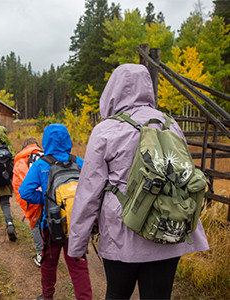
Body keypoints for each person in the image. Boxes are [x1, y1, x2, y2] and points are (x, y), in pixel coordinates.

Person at [69, 64, 209, 299]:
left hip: (122, 233)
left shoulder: (106, 130)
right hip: (167, 228)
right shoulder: (170, 124)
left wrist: (77, 243)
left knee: (117, 294)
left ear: (112, 90)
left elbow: (88, 193)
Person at [19, 123, 91, 300]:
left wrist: (45, 199)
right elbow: (92, 189)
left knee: (49, 263)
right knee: (78, 265)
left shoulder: (41, 165)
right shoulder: (79, 162)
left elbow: (25, 191)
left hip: (51, 224)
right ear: (68, 139)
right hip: (76, 223)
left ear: (46, 141)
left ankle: (47, 296)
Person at [12, 137, 45, 266]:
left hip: (33, 199)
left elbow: (21, 185)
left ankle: (41, 254)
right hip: (49, 197)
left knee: (35, 226)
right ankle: (49, 251)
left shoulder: (21, 160)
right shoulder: (45, 155)